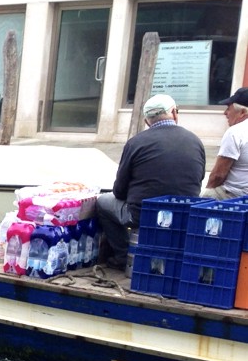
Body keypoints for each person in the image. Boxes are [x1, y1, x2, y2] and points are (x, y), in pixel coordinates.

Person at [95, 94, 205, 269]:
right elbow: (198, 180)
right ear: (174, 114)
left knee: (102, 202)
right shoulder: (195, 141)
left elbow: (119, 191)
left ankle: (124, 256)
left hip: (143, 215)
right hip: (186, 213)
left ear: (147, 121)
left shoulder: (136, 142)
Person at [201, 87, 248, 200]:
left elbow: (218, 175)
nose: (225, 113)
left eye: (228, 108)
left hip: (234, 194)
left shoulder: (235, 132)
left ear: (242, 112)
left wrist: (206, 194)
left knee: (201, 201)